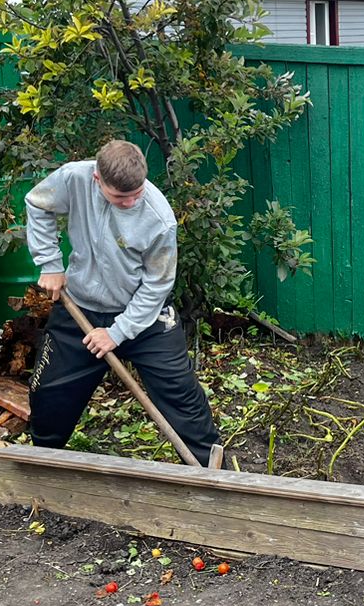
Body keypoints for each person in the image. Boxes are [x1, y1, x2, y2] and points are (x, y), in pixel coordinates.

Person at [24, 139, 219, 464]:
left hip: (146, 318)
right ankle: (42, 468)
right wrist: (50, 263)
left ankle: (212, 474)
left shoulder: (159, 219)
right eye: (119, 196)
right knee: (49, 393)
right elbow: (38, 203)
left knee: (182, 396)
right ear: (97, 179)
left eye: (136, 193)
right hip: (81, 309)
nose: (130, 202)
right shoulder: (74, 178)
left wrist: (116, 333)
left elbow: (157, 286)